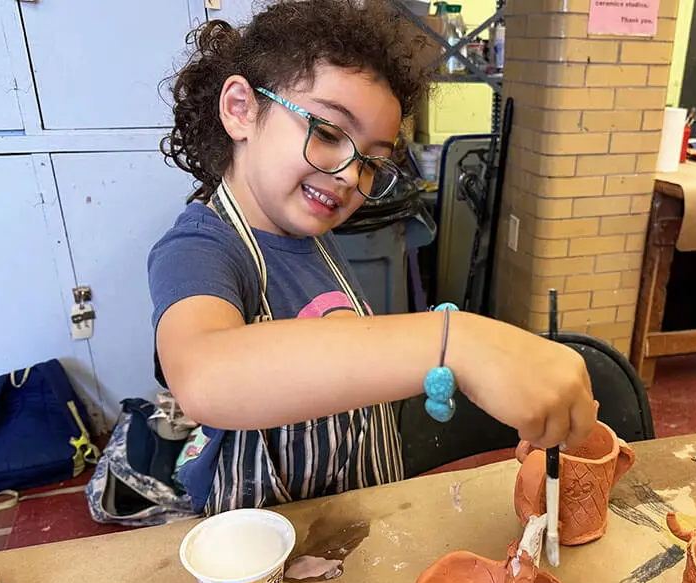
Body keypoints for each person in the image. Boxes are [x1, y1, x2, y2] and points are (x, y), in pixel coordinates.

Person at [147, 0, 596, 514]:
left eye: (372, 163)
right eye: (329, 133)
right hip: (271, 559)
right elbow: (207, 376)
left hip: (359, 517)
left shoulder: (313, 235)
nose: (347, 176)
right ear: (241, 109)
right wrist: (455, 343)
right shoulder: (201, 249)